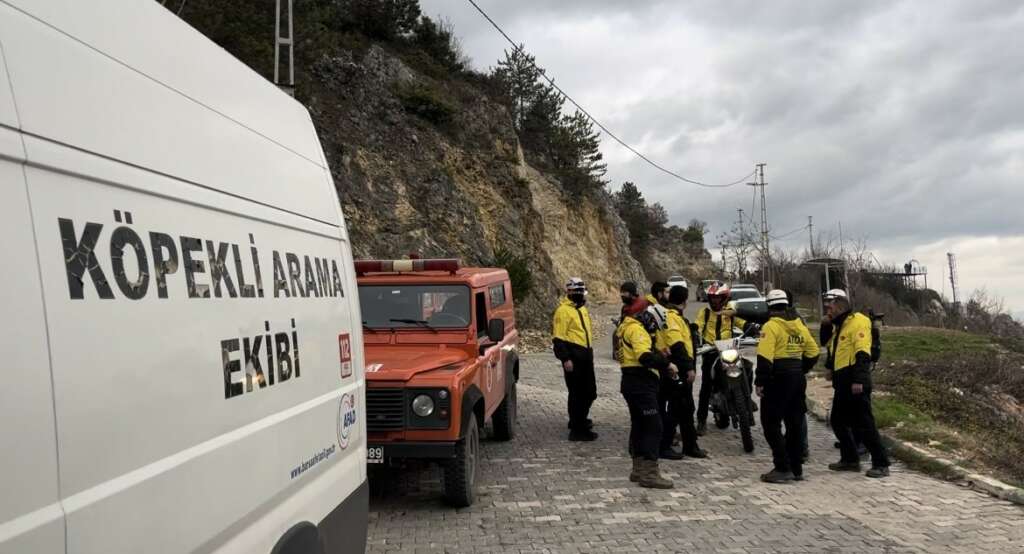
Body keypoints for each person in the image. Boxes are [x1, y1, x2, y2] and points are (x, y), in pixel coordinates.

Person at [821, 289, 891, 478]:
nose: (828, 310)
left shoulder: (858, 322)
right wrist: (830, 368)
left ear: (841, 307)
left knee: (864, 424)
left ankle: (881, 462)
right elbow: (830, 347)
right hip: (843, 382)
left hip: (855, 381)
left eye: (831, 307)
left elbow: (862, 352)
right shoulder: (840, 326)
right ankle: (850, 459)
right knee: (837, 421)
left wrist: (859, 379)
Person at [755, 290, 820, 483]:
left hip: (778, 379)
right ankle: (796, 467)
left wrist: (760, 382)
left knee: (770, 423)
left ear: (769, 306)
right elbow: (813, 352)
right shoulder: (799, 324)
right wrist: (801, 369)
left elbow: (765, 358)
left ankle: (782, 466)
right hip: (797, 377)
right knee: (794, 423)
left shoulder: (771, 326)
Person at [618, 303, 677, 489]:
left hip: (630, 382)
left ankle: (638, 469)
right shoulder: (637, 330)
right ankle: (650, 473)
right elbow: (644, 356)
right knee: (654, 426)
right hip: (641, 384)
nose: (654, 328)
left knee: (639, 425)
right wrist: (666, 365)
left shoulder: (626, 328)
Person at [656, 283, 709, 460]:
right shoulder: (672, 317)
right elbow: (677, 345)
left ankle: (690, 445)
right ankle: (664, 446)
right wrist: (688, 368)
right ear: (685, 301)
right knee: (676, 409)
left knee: (686, 409)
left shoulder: (677, 317)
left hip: (679, 367)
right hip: (676, 369)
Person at [694, 283, 753, 435]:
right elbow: (698, 325)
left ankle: (747, 397)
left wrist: (751, 327)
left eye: (718, 298)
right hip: (710, 350)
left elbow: (741, 322)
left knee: (746, 367)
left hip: (727, 349)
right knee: (706, 384)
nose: (714, 301)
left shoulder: (729, 313)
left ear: (725, 298)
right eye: (712, 298)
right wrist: (694, 333)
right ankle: (701, 420)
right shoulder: (705, 312)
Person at [552, 277, 598, 441]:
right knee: (577, 394)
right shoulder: (563, 311)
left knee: (590, 393)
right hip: (574, 359)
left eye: (581, 291)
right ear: (569, 291)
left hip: (586, 357)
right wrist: (565, 359)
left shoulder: (582, 309)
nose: (579, 294)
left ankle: (579, 420)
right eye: (576, 291)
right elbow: (558, 339)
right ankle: (577, 430)